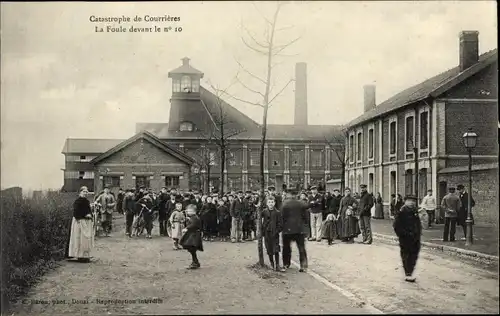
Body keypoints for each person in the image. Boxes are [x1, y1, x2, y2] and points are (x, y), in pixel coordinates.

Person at [393, 194, 422, 283]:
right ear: (405, 201)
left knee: (414, 255)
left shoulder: (415, 211)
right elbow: (396, 225)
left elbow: (418, 224)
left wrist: (418, 233)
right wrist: (403, 234)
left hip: (415, 238)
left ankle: (410, 271)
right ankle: (408, 273)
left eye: (413, 201)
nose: (412, 202)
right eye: (410, 201)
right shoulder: (402, 211)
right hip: (405, 238)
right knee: (406, 255)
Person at [281, 189, 309, 272]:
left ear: (288, 194)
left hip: (287, 229)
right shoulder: (301, 204)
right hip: (299, 229)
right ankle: (303, 265)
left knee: (286, 247)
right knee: (301, 247)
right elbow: (306, 217)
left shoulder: (285, 204)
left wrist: (282, 227)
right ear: (296, 195)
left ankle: (286, 263)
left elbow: (282, 217)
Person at [68, 186, 94, 262]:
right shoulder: (77, 201)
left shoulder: (87, 201)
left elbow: (89, 210)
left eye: (86, 192)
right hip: (79, 221)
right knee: (78, 238)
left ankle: (85, 255)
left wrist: (89, 214)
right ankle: (79, 255)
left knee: (86, 239)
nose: (85, 193)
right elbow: (76, 212)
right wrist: (84, 215)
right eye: (84, 192)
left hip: (86, 222)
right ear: (80, 192)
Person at [262, 196, 284, 272]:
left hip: (274, 233)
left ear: (274, 203)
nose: (271, 204)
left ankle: (277, 265)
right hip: (267, 233)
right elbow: (260, 221)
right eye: (269, 202)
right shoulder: (264, 212)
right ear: (267, 203)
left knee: (276, 249)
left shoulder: (277, 212)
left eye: (272, 202)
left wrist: (277, 231)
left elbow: (281, 224)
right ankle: (272, 264)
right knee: (269, 249)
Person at [180, 204, 203, 269]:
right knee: (191, 248)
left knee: (191, 247)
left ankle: (195, 262)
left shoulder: (195, 217)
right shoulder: (191, 217)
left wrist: (187, 228)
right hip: (192, 235)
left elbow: (194, 224)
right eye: (188, 211)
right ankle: (195, 262)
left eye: (190, 211)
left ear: (194, 211)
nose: (188, 212)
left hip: (194, 235)